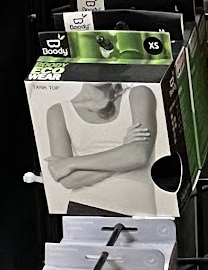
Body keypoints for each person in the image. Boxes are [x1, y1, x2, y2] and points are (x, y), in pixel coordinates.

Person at [44, 81, 164, 216]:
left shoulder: (139, 94)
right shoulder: (58, 111)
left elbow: (139, 156)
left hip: (139, 213)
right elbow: (69, 180)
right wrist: (124, 150)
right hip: (84, 207)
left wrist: (70, 163)